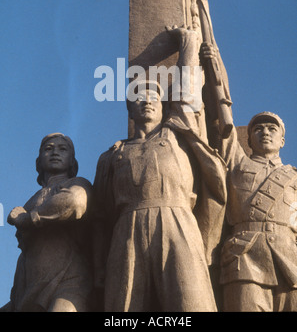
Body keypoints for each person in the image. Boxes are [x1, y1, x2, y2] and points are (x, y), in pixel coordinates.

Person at [92, 25, 227, 312]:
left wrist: (189, 42)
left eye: (154, 95)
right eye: (139, 97)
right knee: (123, 310)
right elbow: (100, 216)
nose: (147, 101)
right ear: (130, 108)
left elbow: (187, 92)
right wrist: (98, 264)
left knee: (191, 304)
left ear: (163, 105)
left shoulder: (176, 134)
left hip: (176, 219)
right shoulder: (112, 156)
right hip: (126, 228)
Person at [201, 43, 297, 312]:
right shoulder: (238, 165)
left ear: (282, 139)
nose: (265, 132)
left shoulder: (294, 177)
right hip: (245, 259)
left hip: (291, 260)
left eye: (271, 128)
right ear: (250, 138)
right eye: (258, 128)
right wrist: (214, 65)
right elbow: (222, 114)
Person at [4, 133, 93, 312]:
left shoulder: (78, 183)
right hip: (30, 287)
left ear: (71, 162)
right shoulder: (31, 201)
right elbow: (26, 254)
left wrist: (29, 218)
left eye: (62, 149)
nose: (55, 152)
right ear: (39, 161)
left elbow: (74, 202)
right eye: (48, 148)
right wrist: (14, 299)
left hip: (68, 281)